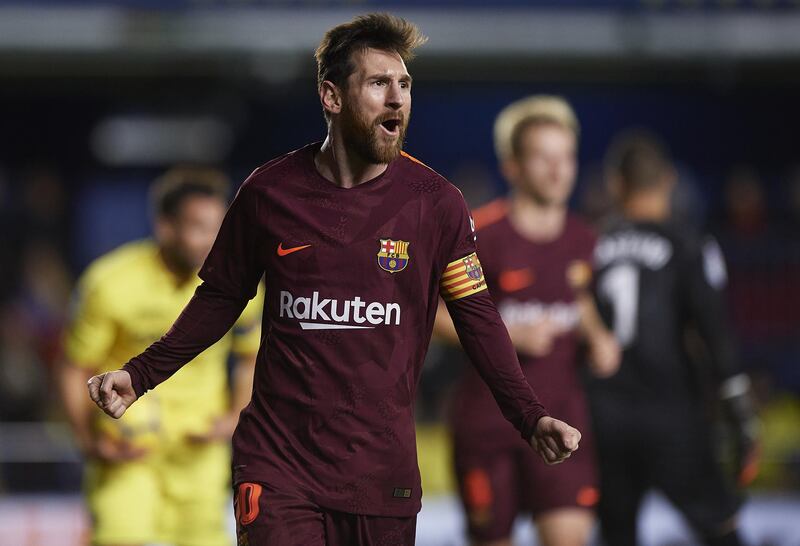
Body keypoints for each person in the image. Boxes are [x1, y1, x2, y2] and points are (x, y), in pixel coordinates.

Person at [85, 13, 581, 546]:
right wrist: (140, 375)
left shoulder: (436, 205)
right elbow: (221, 299)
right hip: (279, 466)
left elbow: (477, 319)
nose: (397, 99)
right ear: (331, 96)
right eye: (378, 83)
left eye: (405, 85)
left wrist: (529, 416)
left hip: (380, 472)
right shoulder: (268, 194)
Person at [433, 95, 619, 546]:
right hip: (489, 425)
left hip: (564, 422)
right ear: (513, 166)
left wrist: (600, 340)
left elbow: (583, 303)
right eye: (544, 158)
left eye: (567, 158)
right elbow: (431, 312)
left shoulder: (586, 240)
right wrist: (505, 334)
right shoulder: (480, 234)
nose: (559, 171)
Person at [60, 167, 262, 546]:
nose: (213, 240)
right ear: (166, 227)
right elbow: (75, 367)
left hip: (199, 453)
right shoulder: (110, 283)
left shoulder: (239, 282)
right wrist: (89, 443)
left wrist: (235, 416)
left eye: (219, 228)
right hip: (129, 455)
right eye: (200, 227)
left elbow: (251, 356)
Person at [588, 130, 759, 546]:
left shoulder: (591, 244)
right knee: (720, 528)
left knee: (617, 534)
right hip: (671, 412)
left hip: (604, 417)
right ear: (668, 180)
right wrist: (739, 411)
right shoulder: (689, 244)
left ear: (616, 184)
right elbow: (714, 331)